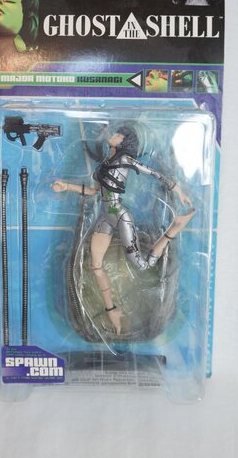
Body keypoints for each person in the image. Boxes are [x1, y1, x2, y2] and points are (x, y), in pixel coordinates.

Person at [51, 125, 195, 335]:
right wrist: (66, 187)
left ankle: (175, 228)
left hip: (119, 214)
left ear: (124, 142)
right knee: (95, 266)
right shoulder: (105, 164)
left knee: (143, 265)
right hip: (105, 217)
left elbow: (153, 173)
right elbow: (93, 191)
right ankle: (112, 311)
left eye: (118, 135)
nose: (113, 135)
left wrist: (179, 191)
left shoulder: (125, 160)